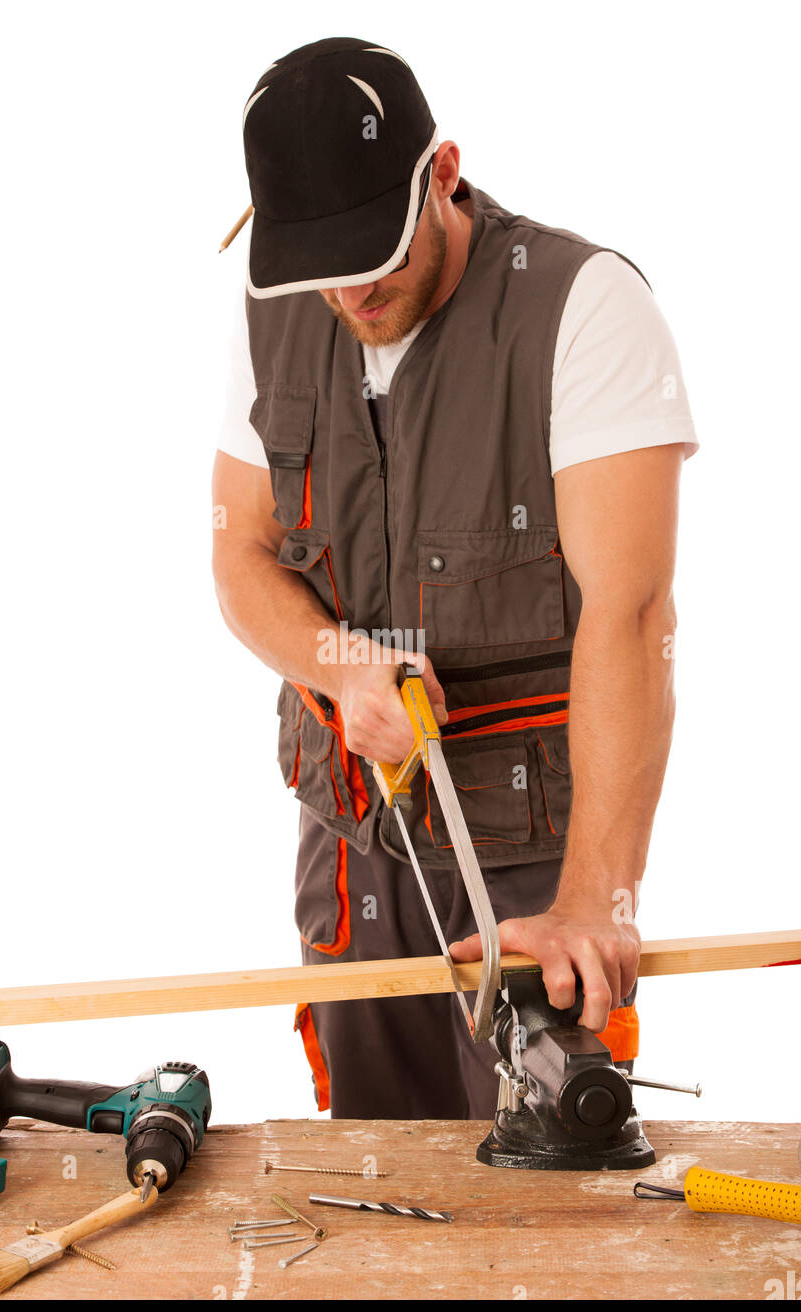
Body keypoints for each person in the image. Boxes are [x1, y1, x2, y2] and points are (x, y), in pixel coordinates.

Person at [211, 37, 698, 1120]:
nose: (349, 290)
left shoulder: (582, 309)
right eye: (321, 263)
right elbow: (238, 554)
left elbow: (629, 616)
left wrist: (594, 901)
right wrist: (339, 666)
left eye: (373, 253)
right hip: (351, 844)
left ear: (442, 172)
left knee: (551, 1178)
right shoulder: (277, 306)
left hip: (530, 858)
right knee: (371, 1175)